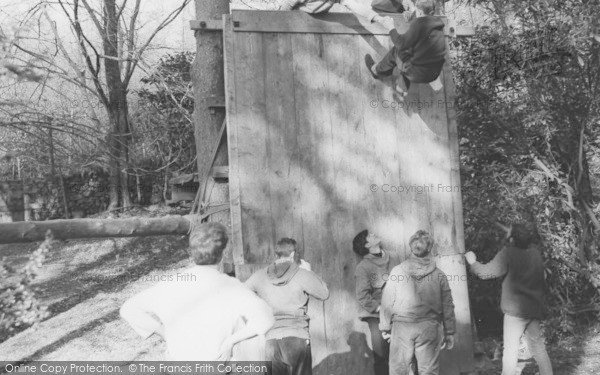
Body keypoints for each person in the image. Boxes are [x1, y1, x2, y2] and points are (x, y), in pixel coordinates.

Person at [120, 222, 274, 361]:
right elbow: (265, 319)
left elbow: (129, 309)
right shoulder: (231, 286)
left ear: (192, 251)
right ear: (225, 252)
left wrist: (165, 333)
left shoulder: (170, 283)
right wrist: (230, 341)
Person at [465, 223, 554, 375]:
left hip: (515, 313)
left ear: (512, 239)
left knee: (511, 350)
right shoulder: (535, 253)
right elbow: (542, 277)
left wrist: (473, 262)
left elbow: (486, 273)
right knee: (539, 348)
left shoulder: (508, 253)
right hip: (533, 309)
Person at [246, 238, 330, 375]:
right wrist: (310, 271)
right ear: (292, 254)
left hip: (271, 340)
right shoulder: (301, 274)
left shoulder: (260, 275)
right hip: (297, 337)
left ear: (276, 255)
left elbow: (242, 292)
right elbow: (324, 293)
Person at [380, 230, 455, 375]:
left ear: (411, 247)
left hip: (402, 328)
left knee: (399, 370)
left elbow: (387, 301)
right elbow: (447, 304)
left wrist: (385, 326)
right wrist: (450, 331)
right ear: (429, 249)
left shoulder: (397, 272)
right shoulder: (439, 275)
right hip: (429, 328)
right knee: (429, 371)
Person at [365, 0, 446, 96]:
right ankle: (402, 87)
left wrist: (390, 27)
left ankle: (377, 71)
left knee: (397, 51)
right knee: (413, 53)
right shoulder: (438, 26)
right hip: (434, 75)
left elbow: (401, 44)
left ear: (419, 12)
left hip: (418, 75)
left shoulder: (419, 24)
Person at [353, 229, 394, 375]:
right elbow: (362, 296)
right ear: (366, 245)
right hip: (377, 317)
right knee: (381, 357)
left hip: (398, 314)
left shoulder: (392, 257)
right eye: (369, 236)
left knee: (403, 355)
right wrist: (381, 310)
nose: (374, 234)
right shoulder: (363, 267)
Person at [274, 0, 397, 31]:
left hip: (313, 20)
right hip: (290, 16)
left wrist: (379, 18)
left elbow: (355, 6)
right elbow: (286, 7)